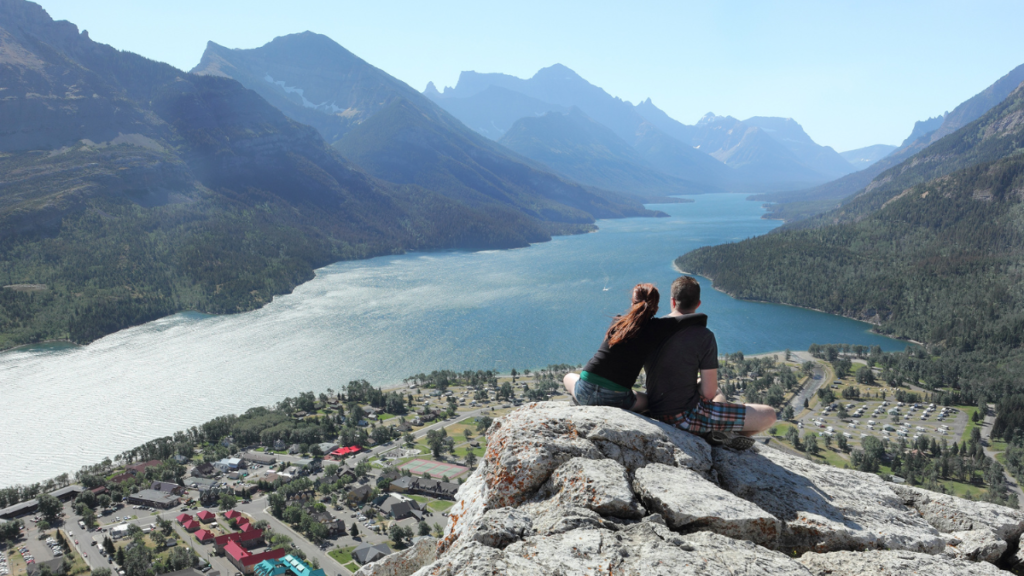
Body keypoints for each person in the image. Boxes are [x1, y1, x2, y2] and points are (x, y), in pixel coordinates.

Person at [642, 276, 776, 450]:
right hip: (684, 418)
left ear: (672, 301)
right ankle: (722, 435)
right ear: (698, 304)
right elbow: (708, 391)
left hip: (655, 409)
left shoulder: (650, 329)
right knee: (769, 415)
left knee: (714, 394)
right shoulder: (704, 336)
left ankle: (714, 432)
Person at [563, 283, 710, 412]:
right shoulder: (657, 328)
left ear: (633, 302)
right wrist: (702, 318)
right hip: (615, 398)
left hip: (585, 388)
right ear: (656, 308)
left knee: (568, 377)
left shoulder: (618, 322)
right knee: (649, 401)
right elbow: (682, 320)